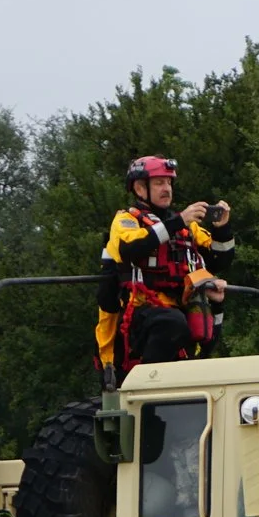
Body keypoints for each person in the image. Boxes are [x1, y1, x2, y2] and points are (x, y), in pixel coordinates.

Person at [95, 156, 233, 382]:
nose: (166, 188)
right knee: (171, 323)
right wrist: (178, 222)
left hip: (178, 308)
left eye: (169, 183)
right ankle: (144, 386)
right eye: (159, 183)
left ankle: (172, 386)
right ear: (140, 188)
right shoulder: (127, 220)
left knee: (201, 328)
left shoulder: (188, 227)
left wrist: (222, 229)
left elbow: (220, 260)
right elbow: (131, 248)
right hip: (139, 312)